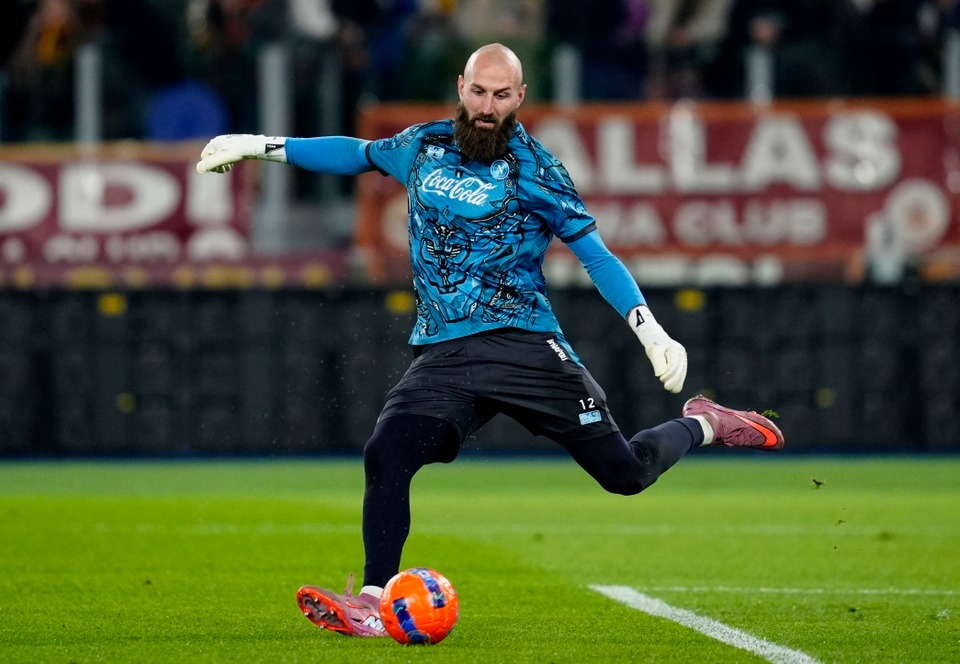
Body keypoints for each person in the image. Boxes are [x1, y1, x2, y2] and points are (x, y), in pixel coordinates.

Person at [196, 42, 784, 638]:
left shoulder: (538, 170)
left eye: (501, 95)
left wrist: (649, 329)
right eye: (478, 91)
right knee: (387, 452)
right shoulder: (422, 145)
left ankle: (705, 423)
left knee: (625, 474)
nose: (486, 106)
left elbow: (597, 257)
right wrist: (261, 146)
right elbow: (356, 154)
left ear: (520, 97)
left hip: (524, 345)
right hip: (445, 352)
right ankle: (373, 600)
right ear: (461, 87)